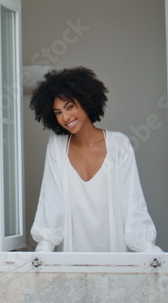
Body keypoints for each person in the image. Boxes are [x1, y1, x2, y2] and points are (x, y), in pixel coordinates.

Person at [29, 67, 160, 253]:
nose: (65, 117)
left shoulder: (119, 145)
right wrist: (44, 247)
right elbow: (51, 200)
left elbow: (132, 202)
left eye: (70, 107)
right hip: (72, 257)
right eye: (57, 112)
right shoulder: (57, 146)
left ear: (85, 101)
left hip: (113, 255)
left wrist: (147, 249)